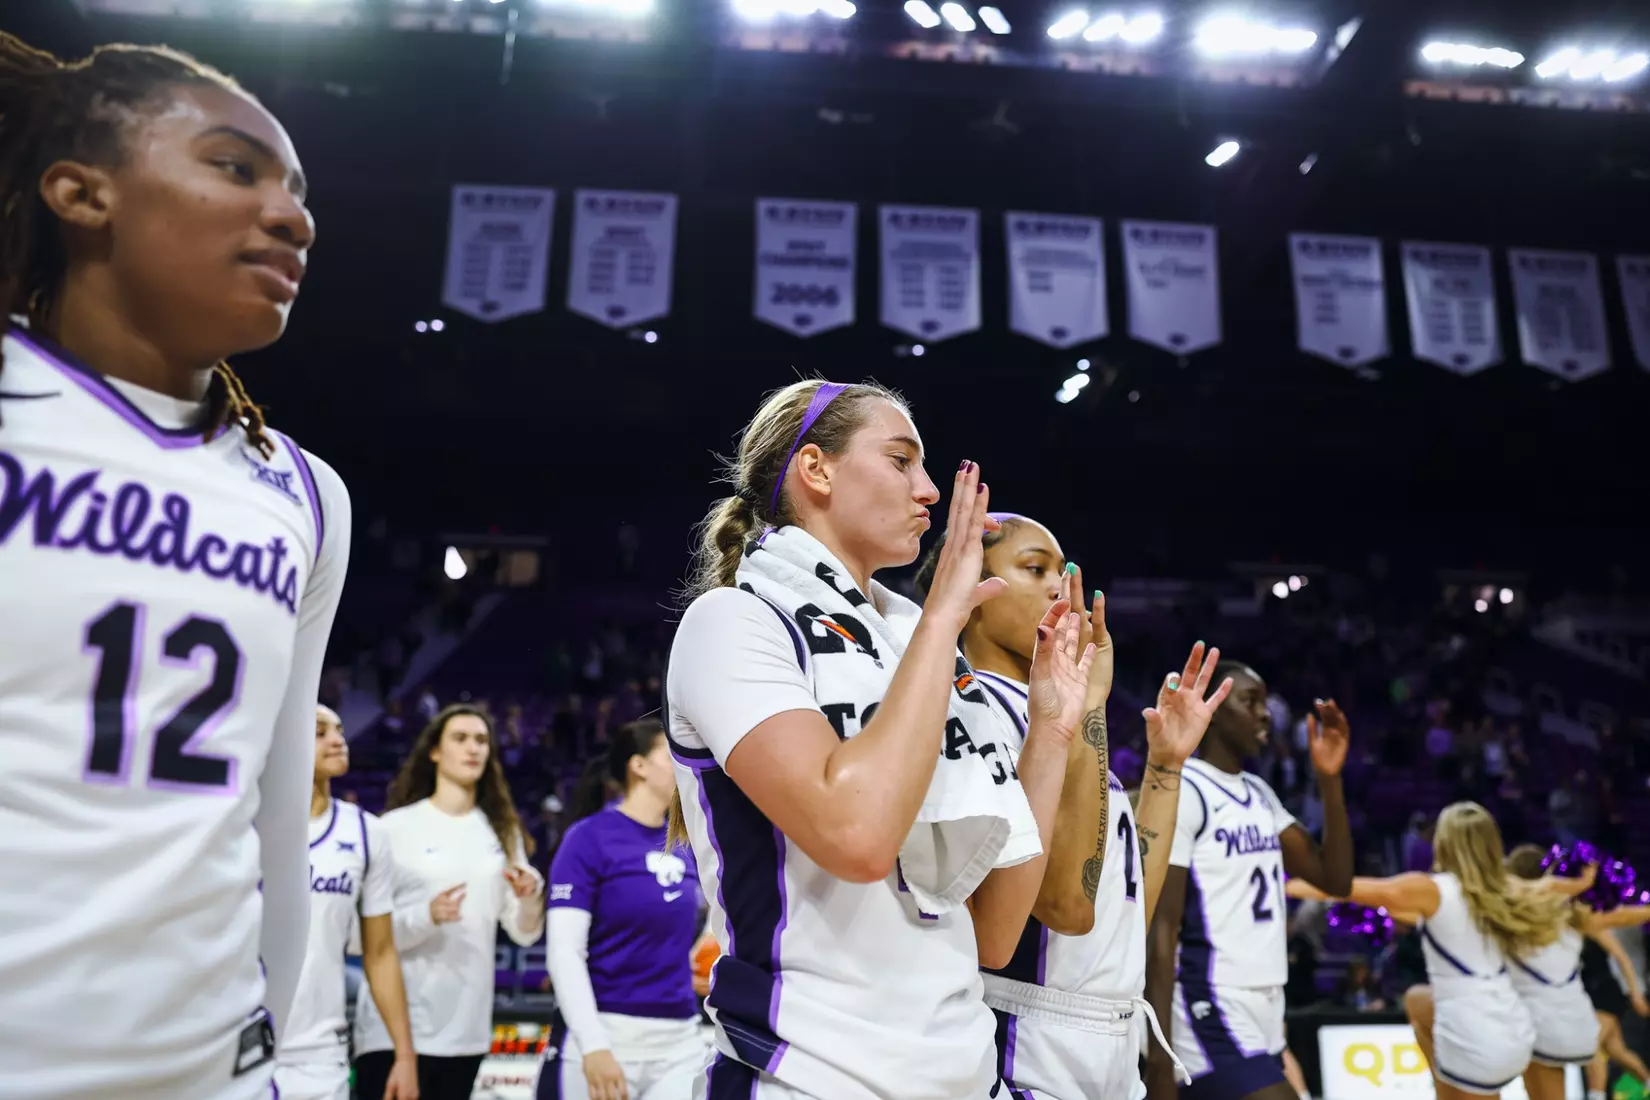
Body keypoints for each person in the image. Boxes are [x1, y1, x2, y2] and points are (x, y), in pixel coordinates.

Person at [0, 33, 349, 1100]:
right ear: (82, 193)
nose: (291, 217)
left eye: (298, 194)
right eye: (235, 169)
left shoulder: (305, 493)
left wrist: (262, 1044)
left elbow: (276, 812)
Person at [664, 379, 1095, 1099]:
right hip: (808, 1075)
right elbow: (857, 835)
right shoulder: (733, 623)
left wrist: (1051, 730)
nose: (929, 490)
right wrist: (941, 619)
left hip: (965, 1074)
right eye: (901, 461)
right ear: (816, 469)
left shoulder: (917, 645)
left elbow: (994, 934)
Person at [913, 514, 1231, 1099]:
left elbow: (1123, 910)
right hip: (1023, 1037)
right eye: (1035, 569)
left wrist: (1165, 767)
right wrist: (1087, 704)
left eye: (1063, 571)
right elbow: (1066, 906)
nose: (1060, 585)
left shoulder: (1052, 714)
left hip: (1110, 1037)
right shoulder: (972, 710)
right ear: (973, 589)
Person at [1144, 662, 1355, 1100]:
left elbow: (1335, 880)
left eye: (1265, 702)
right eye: (1250, 701)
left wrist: (1330, 780)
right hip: (1208, 998)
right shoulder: (1186, 791)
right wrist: (1159, 1059)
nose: (1266, 714)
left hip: (1266, 1001)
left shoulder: (1259, 794)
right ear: (1212, 711)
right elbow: (1161, 930)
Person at [1290, 803, 1570, 1100]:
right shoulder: (1502, 888)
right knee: (1417, 999)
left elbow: (1352, 888)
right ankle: (1445, 1085)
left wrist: (1295, 885)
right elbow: (1430, 917)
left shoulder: (1432, 889)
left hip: (1474, 1031)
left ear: (1444, 842)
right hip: (1514, 1027)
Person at [354, 705, 546, 1100]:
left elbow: (524, 933)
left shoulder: (501, 832)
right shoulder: (393, 829)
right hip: (393, 1033)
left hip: (466, 1033)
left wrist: (529, 899)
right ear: (435, 751)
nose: (473, 748)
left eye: (481, 740)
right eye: (460, 739)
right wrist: (426, 916)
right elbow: (360, 939)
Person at [538, 717, 708, 1100]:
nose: (683, 763)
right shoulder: (588, 839)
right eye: (671, 754)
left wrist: (700, 956)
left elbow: (709, 921)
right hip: (607, 1030)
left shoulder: (687, 843)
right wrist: (593, 1044)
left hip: (680, 1037)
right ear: (639, 766)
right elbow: (564, 951)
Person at [278, 706, 419, 1100]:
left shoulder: (366, 832)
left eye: (339, 730)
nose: (338, 740)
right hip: (238, 1042)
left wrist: (404, 1055)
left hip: (320, 1051)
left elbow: (380, 952)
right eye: (319, 732)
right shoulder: (247, 824)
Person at [1501, 845, 1650, 1100]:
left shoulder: (1506, 916)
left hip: (1540, 1021)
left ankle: (1596, 1095)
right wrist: (1578, 884)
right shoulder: (1572, 915)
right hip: (1565, 1018)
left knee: (1591, 1055)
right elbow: (1624, 916)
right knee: (1617, 1051)